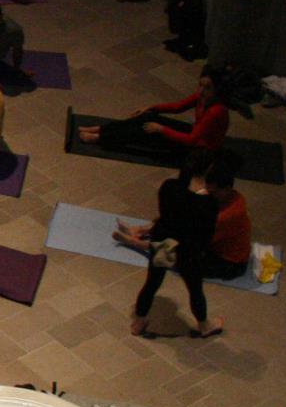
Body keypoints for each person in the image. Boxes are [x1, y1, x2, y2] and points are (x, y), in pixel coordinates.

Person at [117, 152, 225, 338]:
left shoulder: (170, 187)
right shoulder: (207, 203)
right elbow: (205, 234)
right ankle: (204, 325)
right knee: (194, 288)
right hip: (188, 250)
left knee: (152, 282)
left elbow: (165, 216)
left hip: (165, 243)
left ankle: (139, 321)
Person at [79, 65, 230, 157]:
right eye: (200, 85)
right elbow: (178, 107)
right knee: (146, 118)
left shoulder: (216, 111)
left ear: (217, 90)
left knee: (144, 131)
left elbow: (192, 140)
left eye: (207, 87)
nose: (202, 90)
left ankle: (100, 138)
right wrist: (152, 107)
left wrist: (161, 129)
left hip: (198, 149)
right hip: (194, 135)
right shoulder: (202, 97)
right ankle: (101, 129)